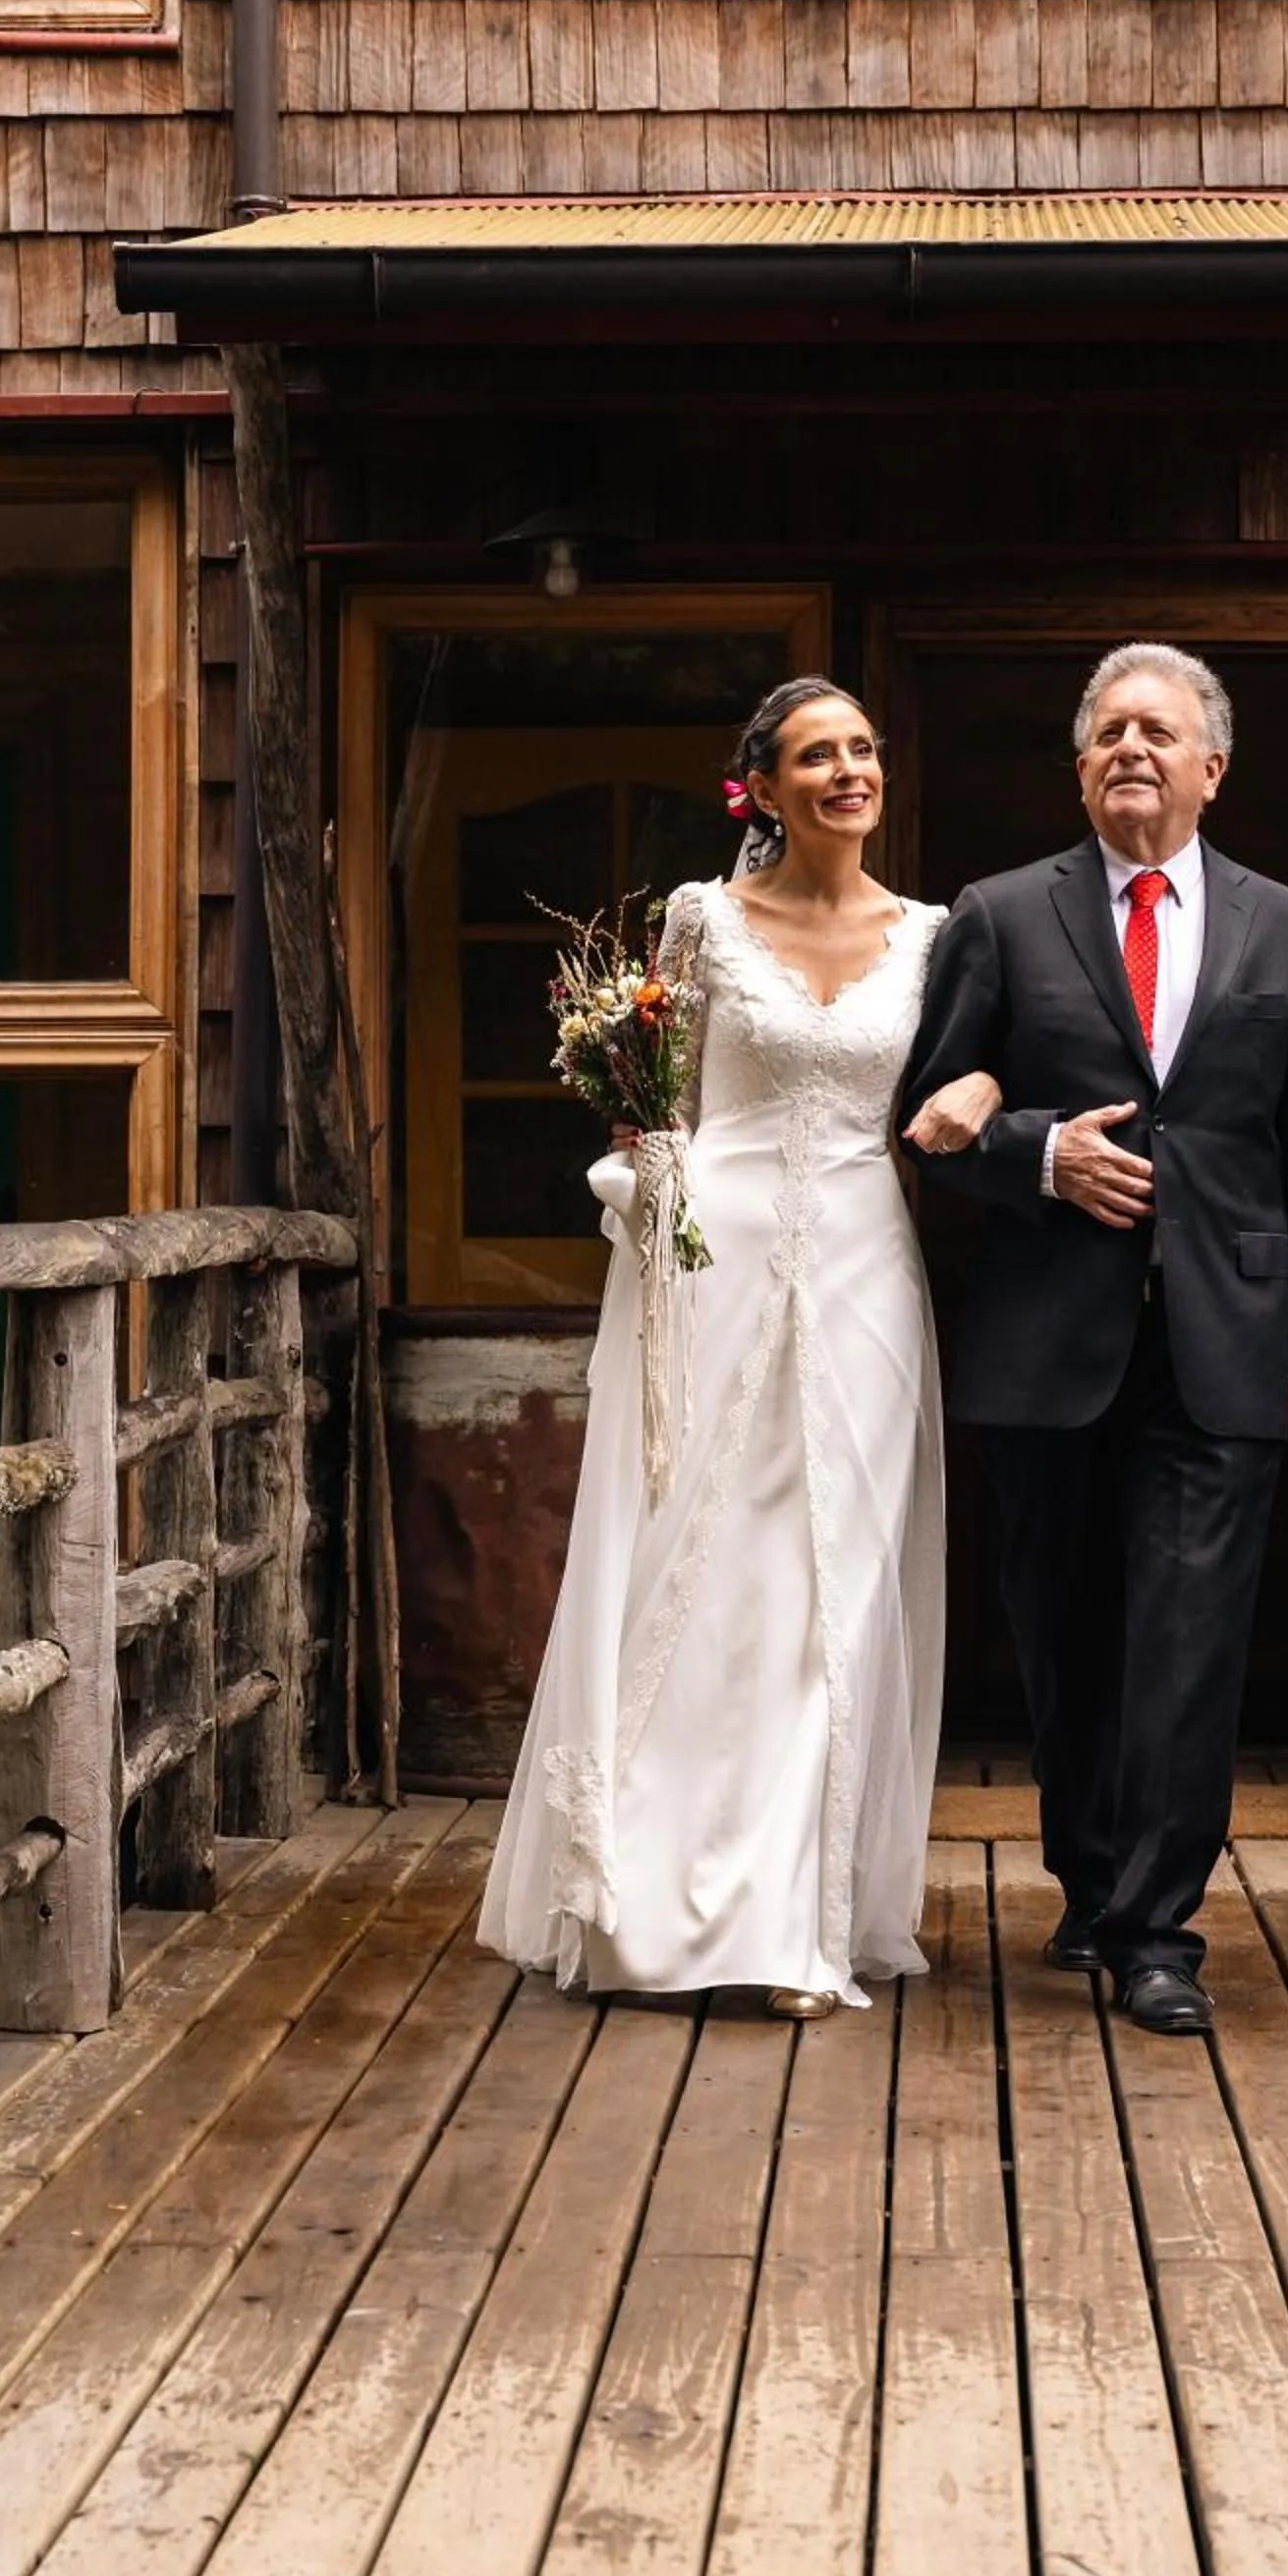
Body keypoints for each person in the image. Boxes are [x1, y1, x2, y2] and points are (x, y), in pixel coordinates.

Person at [478, 678, 994, 2019]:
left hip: (867, 1268)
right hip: (713, 1259)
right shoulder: (701, 920)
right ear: (761, 787)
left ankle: (796, 1917)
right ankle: (656, 1897)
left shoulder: (936, 937)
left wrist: (982, 1087)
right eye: (818, 755)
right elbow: (661, 1096)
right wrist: (640, 1171)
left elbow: (981, 1066)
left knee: (837, 1573)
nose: (848, 772)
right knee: (704, 1569)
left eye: (864, 750)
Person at [899, 642, 1288, 2037]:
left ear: (1214, 767)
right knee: (1065, 1635)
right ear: (1080, 763)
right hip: (1050, 1338)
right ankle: (1090, 1886)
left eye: (1159, 732)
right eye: (1108, 733)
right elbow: (926, 1119)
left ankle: (1161, 1930)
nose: (1131, 752)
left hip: (1222, 1337)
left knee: (1188, 1639)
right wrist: (1042, 1157)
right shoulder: (999, 916)